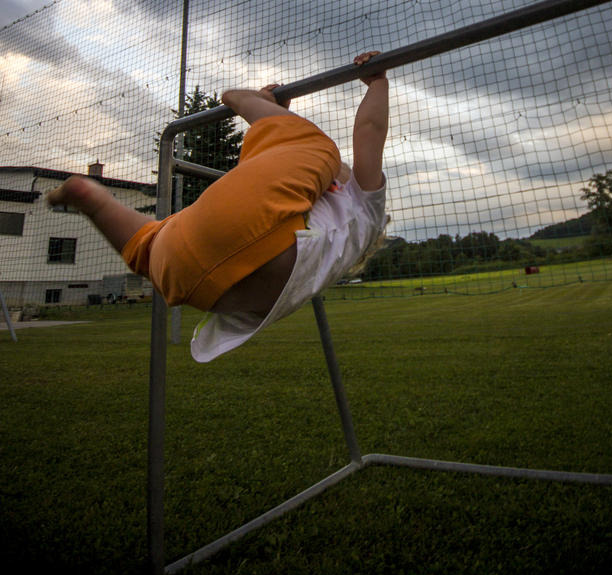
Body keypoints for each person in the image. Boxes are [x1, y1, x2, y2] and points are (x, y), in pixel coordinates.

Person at [46, 51, 389, 360]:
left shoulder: (366, 204)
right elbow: (267, 183)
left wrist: (377, 82)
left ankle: (240, 99)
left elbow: (369, 130)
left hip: (260, 244)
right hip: (191, 279)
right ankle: (91, 199)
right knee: (146, 248)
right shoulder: (329, 235)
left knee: (318, 146)